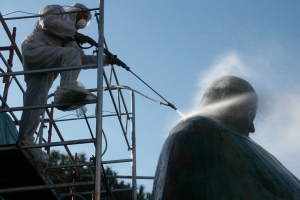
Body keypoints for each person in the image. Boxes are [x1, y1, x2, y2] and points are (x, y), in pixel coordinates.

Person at [152, 76, 300, 199]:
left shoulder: (212, 135)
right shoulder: (201, 130)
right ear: (230, 106)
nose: (252, 128)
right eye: (250, 116)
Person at [18, 3, 118, 170]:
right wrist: (74, 34)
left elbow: (81, 60)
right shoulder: (57, 11)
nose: (86, 21)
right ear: (79, 12)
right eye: (86, 16)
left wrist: (106, 60)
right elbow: (48, 22)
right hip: (36, 50)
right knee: (70, 55)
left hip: (47, 66)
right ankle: (67, 89)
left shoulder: (71, 38)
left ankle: (25, 141)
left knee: (37, 102)